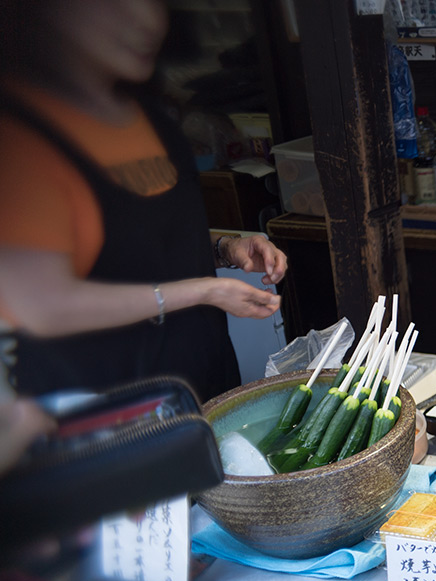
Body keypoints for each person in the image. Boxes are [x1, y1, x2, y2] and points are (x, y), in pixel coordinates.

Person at [0, 0, 288, 404]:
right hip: (114, 410)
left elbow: (143, 244)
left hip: (202, 374)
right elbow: (41, 305)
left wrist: (227, 249)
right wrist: (202, 291)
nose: (144, 21)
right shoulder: (22, 138)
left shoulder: (151, 122)